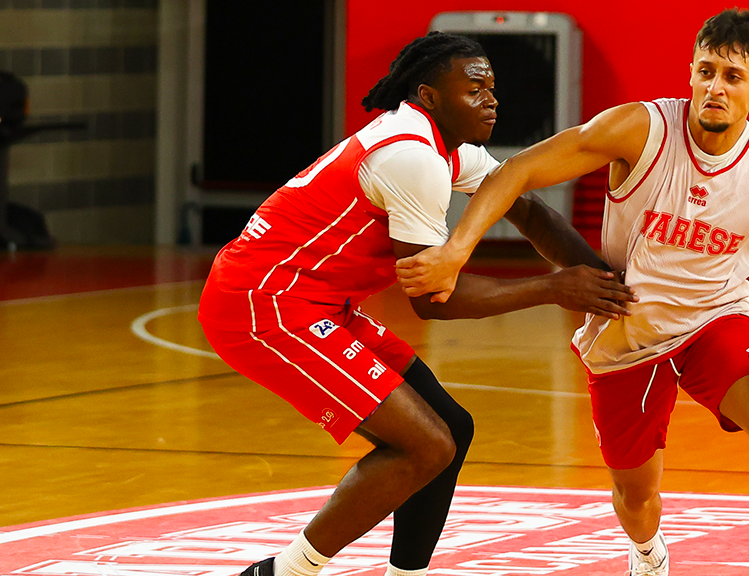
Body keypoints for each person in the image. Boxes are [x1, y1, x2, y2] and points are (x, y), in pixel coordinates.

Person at [395, 9, 749, 576]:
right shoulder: (640, 130)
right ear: (690, 71)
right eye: (707, 71)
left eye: (733, 77)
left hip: (714, 324)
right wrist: (455, 250)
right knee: (637, 495)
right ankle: (648, 553)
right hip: (626, 330)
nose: (716, 87)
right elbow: (516, 170)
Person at [197, 32, 635, 576]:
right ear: (429, 96)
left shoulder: (443, 145)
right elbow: (433, 301)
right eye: (475, 89)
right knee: (426, 445)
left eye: (492, 87)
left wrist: (606, 282)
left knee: (452, 428)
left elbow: (530, 212)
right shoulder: (411, 158)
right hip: (264, 303)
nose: (492, 100)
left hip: (318, 301)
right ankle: (281, 573)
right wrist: (554, 288)